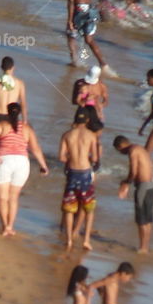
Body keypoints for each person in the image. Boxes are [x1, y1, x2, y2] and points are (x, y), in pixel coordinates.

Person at [0, 102, 48, 236]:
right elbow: (35, 149)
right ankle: (10, 226)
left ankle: (4, 227)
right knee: (13, 197)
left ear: (7, 112)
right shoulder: (27, 128)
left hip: (4, 160)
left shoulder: (2, 125)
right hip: (22, 162)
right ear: (20, 113)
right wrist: (43, 166)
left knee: (2, 198)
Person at [59, 108, 99, 252]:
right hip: (85, 173)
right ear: (87, 120)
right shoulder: (91, 135)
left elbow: (62, 157)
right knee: (89, 208)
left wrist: (72, 157)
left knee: (70, 208)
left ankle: (69, 240)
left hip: (72, 173)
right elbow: (94, 158)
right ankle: (86, 240)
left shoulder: (67, 135)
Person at [114, 135, 153, 253]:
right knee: (148, 219)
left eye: (119, 151)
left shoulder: (132, 151)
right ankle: (145, 246)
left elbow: (133, 170)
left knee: (141, 219)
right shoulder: (140, 149)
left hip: (143, 186)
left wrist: (126, 183)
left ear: (120, 146)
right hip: (151, 186)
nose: (122, 153)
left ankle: (143, 247)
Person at [65, 0, 105, 68]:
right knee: (89, 40)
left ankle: (75, 60)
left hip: (80, 9)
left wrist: (69, 20)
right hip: (91, 9)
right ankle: (103, 63)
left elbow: (71, 2)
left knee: (70, 33)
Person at [0, 57, 27, 133]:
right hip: (12, 116)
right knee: (8, 141)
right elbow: (23, 103)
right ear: (13, 68)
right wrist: (24, 120)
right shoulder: (20, 83)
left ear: (1, 67)